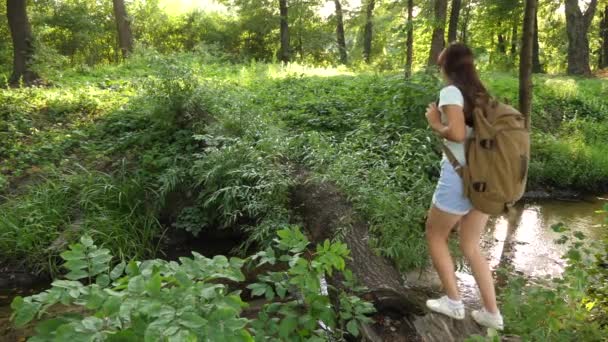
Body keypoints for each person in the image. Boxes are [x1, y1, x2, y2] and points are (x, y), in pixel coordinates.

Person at [423, 42, 504, 331]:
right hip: (486, 178)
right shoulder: (481, 94)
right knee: (470, 246)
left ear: (447, 66)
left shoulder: (450, 92)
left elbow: (456, 133)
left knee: (434, 234)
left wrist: (435, 123)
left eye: (440, 62)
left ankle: (454, 302)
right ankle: (491, 313)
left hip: (459, 178)